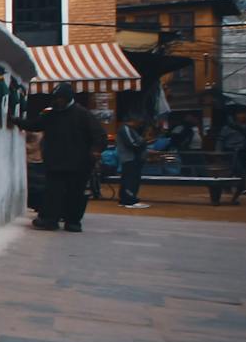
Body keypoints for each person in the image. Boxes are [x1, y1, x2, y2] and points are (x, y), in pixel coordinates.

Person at [24, 82, 107, 232]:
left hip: (79, 164)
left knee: (75, 193)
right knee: (52, 193)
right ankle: (50, 220)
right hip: (55, 162)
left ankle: (73, 222)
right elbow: (35, 125)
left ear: (68, 98)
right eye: (55, 98)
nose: (57, 102)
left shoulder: (83, 114)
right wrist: (16, 121)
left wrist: (96, 150)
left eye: (60, 99)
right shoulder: (51, 115)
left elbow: (99, 135)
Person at [114, 113, 151, 209]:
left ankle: (125, 199)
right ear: (134, 121)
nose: (139, 124)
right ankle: (129, 200)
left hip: (131, 158)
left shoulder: (130, 129)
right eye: (139, 122)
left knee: (129, 178)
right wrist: (144, 141)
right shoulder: (125, 129)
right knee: (131, 179)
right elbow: (133, 144)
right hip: (130, 158)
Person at [217, 108, 246, 197]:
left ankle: (226, 185)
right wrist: (218, 151)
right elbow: (220, 139)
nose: (243, 116)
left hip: (245, 150)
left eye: (244, 113)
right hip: (231, 151)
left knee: (234, 170)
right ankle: (243, 187)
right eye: (240, 114)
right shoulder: (228, 127)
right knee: (238, 168)